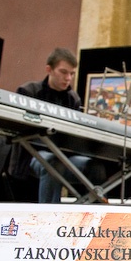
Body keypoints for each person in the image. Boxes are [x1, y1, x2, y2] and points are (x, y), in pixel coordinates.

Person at [10, 47, 105, 203]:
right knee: (53, 164)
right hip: (31, 156)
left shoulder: (73, 99)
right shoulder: (29, 91)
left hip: (63, 157)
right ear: (49, 69)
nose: (68, 78)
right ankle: (49, 214)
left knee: (94, 167)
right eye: (63, 72)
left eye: (72, 74)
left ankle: (86, 213)